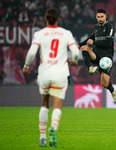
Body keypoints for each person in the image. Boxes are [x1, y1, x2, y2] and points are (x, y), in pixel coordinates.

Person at [23, 8, 79, 148]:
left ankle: (42, 138)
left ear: (45, 19)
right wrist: (75, 60)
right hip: (60, 73)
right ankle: (53, 128)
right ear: (58, 19)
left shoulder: (40, 34)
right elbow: (76, 52)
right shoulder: (66, 33)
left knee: (45, 104)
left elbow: (31, 52)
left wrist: (26, 65)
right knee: (57, 105)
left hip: (44, 73)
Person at [78, 9, 116, 100]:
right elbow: (91, 38)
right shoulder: (96, 27)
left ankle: (112, 90)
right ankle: (90, 67)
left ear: (105, 17)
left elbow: (108, 43)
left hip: (106, 57)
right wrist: (80, 45)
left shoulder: (109, 27)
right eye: (98, 17)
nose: (100, 19)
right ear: (96, 17)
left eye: (102, 17)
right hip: (96, 54)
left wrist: (94, 42)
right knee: (84, 48)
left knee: (104, 83)